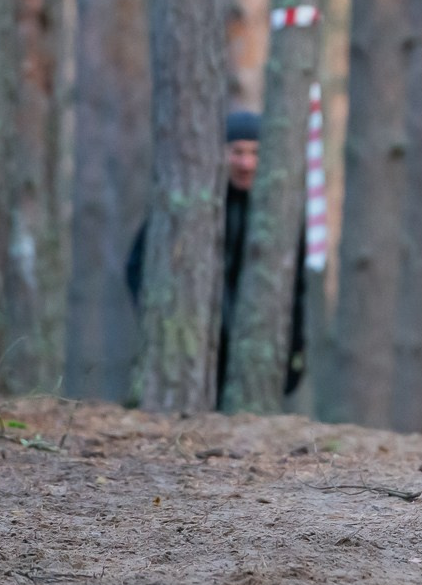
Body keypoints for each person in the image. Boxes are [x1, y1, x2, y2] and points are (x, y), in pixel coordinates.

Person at [124, 110, 307, 408]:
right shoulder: (190, 204)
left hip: (253, 351)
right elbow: (136, 266)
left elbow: (296, 288)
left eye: (255, 153)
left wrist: (296, 350)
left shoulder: (281, 212)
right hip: (193, 350)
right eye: (237, 152)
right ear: (220, 153)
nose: (246, 163)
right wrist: (163, 322)